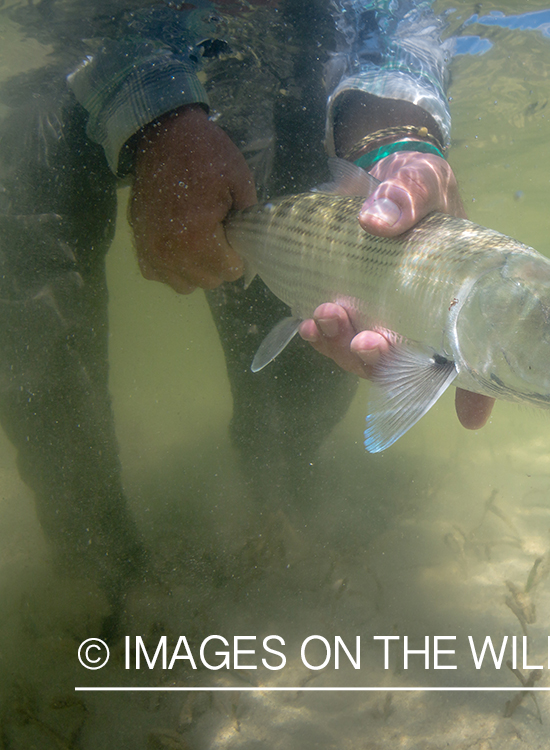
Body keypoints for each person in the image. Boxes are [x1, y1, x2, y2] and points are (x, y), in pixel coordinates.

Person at [0, 0, 493, 632]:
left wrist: (394, 137)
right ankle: (94, 555)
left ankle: (277, 483)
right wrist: (160, 115)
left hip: (278, 59)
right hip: (62, 61)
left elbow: (397, 15)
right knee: (26, 257)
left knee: (315, 298)